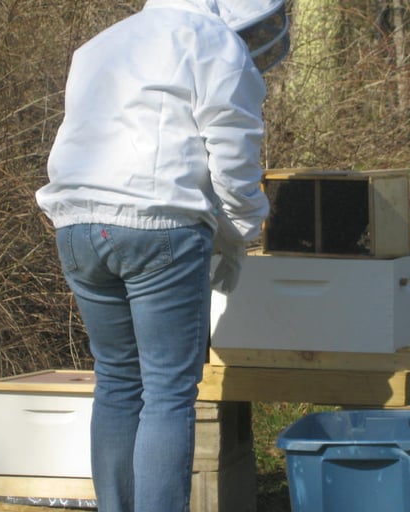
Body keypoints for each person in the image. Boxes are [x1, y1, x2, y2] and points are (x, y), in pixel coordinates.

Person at [35, 1, 289, 510]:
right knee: (168, 391)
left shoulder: (101, 43)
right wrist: (241, 229)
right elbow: (234, 152)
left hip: (76, 225)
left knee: (116, 381)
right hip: (158, 227)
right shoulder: (213, 40)